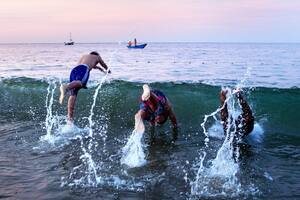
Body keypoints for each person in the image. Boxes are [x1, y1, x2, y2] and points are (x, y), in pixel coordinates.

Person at [59, 51, 110, 123]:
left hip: (74, 70)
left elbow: (91, 65)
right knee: (81, 83)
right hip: (83, 69)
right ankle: (66, 87)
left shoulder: (84, 56)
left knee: (74, 93)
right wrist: (108, 70)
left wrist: (98, 68)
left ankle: (70, 119)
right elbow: (103, 64)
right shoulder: (97, 57)